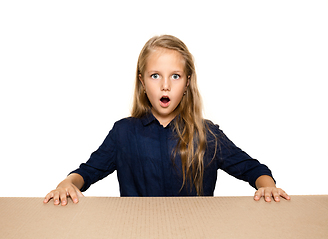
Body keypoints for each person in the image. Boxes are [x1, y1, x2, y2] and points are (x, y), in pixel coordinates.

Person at [44, 35, 290, 206]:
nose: (165, 85)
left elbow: (253, 169)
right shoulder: (123, 133)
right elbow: (87, 172)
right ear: (142, 82)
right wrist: (67, 183)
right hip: (136, 233)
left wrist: (266, 185)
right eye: (155, 75)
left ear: (186, 83)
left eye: (175, 76)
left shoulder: (207, 134)